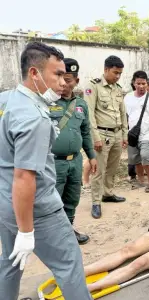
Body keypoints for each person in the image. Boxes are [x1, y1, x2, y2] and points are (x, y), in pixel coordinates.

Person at [0, 42, 92, 300]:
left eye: (65, 75)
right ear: (34, 73)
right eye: (58, 74)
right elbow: (25, 177)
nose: (64, 82)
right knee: (69, 264)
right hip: (37, 209)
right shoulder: (34, 118)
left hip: (6, 202)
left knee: (10, 261)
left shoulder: (7, 100)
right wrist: (28, 232)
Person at [50, 58, 97, 245]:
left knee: (72, 198)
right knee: (53, 201)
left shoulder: (81, 105)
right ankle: (52, 237)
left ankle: (68, 230)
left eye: (68, 79)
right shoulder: (46, 103)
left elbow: (85, 131)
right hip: (54, 162)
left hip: (75, 161)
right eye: (61, 77)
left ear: (76, 81)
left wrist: (91, 156)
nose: (64, 83)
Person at [84, 55, 128, 219]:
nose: (117, 76)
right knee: (98, 171)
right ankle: (96, 202)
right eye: (115, 72)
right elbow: (89, 114)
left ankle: (108, 193)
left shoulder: (117, 88)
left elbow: (122, 113)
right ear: (106, 69)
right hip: (102, 135)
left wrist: (124, 134)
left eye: (120, 74)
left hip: (117, 134)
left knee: (112, 168)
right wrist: (95, 137)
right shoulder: (93, 86)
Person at [125, 71, 149, 193]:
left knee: (145, 155)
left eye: (143, 83)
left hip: (148, 133)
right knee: (135, 159)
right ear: (134, 83)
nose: (141, 86)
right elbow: (125, 116)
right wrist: (124, 134)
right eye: (138, 83)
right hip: (132, 134)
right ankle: (140, 180)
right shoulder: (128, 97)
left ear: (147, 83)